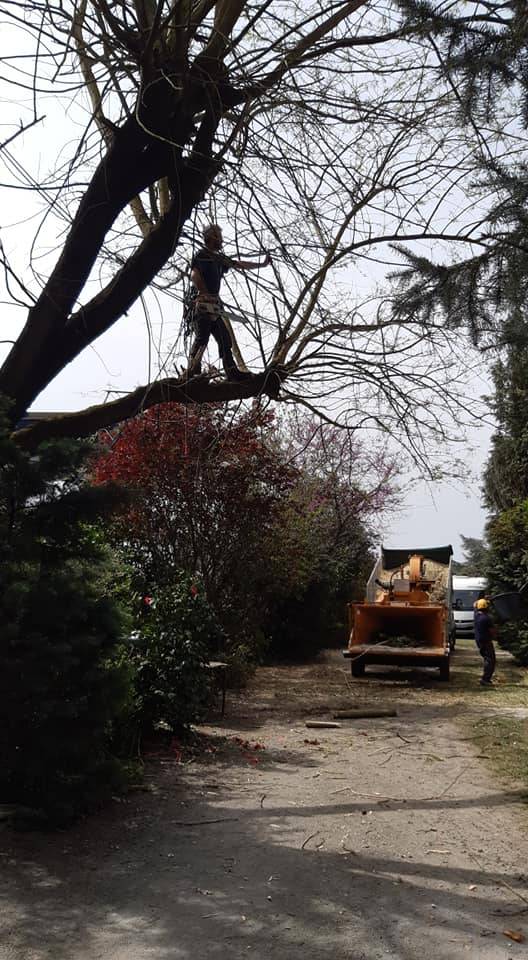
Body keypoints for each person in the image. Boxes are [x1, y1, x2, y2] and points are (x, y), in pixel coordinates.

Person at [186, 223, 271, 380]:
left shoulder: (219, 259)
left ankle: (232, 372)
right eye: (219, 237)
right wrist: (204, 293)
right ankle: (192, 371)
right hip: (203, 305)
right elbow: (194, 274)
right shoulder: (202, 255)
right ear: (211, 237)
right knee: (202, 339)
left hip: (214, 307)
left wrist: (262, 264)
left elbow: (238, 264)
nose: (222, 241)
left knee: (225, 339)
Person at [473, 598, 496, 686]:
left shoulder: (476, 616)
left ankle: (485, 679)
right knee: (490, 660)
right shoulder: (487, 618)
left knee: (487, 659)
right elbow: (492, 631)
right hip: (486, 642)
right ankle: (485, 680)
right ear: (487, 608)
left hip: (479, 642)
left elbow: (474, 604)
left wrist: (484, 600)